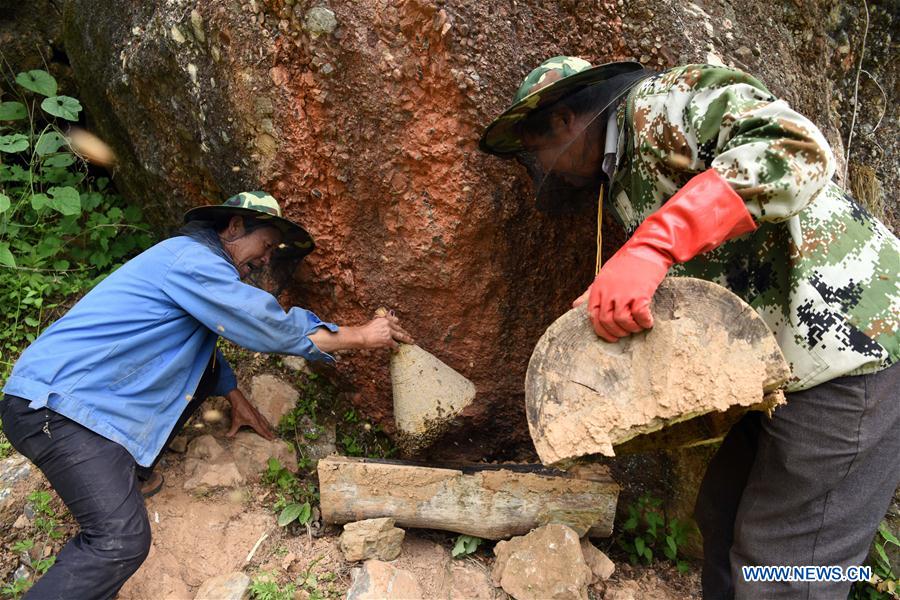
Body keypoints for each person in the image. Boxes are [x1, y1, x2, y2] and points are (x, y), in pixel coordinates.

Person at [480, 57, 899, 599]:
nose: (545, 167)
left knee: (787, 566)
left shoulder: (664, 102)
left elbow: (795, 148)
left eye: (537, 150)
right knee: (721, 516)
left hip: (856, 344)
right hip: (786, 368)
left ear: (564, 122)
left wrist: (653, 245)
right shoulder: (623, 177)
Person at [1, 191, 413, 599]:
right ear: (234, 227)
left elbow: (203, 359)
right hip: (57, 409)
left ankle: (127, 475)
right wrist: (360, 335)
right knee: (119, 541)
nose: (266, 259)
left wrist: (235, 397)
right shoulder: (192, 259)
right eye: (266, 245)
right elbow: (262, 323)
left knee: (210, 368)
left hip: (74, 405)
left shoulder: (190, 265)